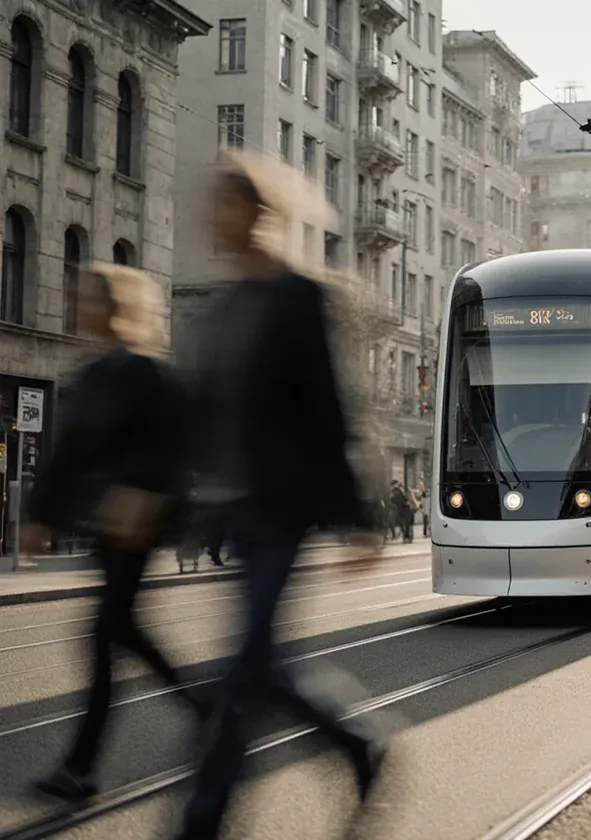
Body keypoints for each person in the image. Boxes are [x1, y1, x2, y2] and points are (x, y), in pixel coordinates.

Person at [174, 155, 388, 839]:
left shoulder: (296, 297)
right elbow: (206, 416)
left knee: (239, 678)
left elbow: (329, 406)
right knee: (261, 669)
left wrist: (360, 517)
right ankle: (357, 744)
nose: (214, 216)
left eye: (226, 204)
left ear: (257, 214)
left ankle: (199, 823)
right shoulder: (224, 305)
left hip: (284, 509)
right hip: (236, 509)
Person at [24, 263, 204, 799]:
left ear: (118, 306)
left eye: (93, 298)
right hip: (101, 524)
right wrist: (39, 515)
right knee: (123, 632)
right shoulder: (91, 372)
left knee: (104, 635)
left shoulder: (148, 372)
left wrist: (147, 499)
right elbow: (67, 454)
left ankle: (79, 767)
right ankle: (206, 709)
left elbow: (177, 450)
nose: (81, 305)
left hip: (135, 526)